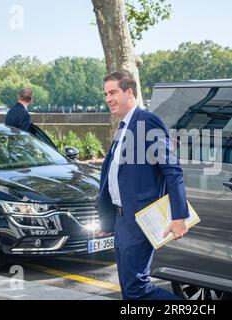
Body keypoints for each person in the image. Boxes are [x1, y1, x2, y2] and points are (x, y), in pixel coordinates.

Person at [97, 71, 190, 300]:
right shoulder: (123, 126)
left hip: (139, 220)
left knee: (137, 289)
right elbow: (116, 175)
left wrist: (179, 217)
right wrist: (108, 219)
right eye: (106, 93)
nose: (108, 98)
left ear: (129, 92)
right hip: (122, 221)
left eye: (113, 92)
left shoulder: (147, 121)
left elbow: (172, 170)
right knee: (129, 290)